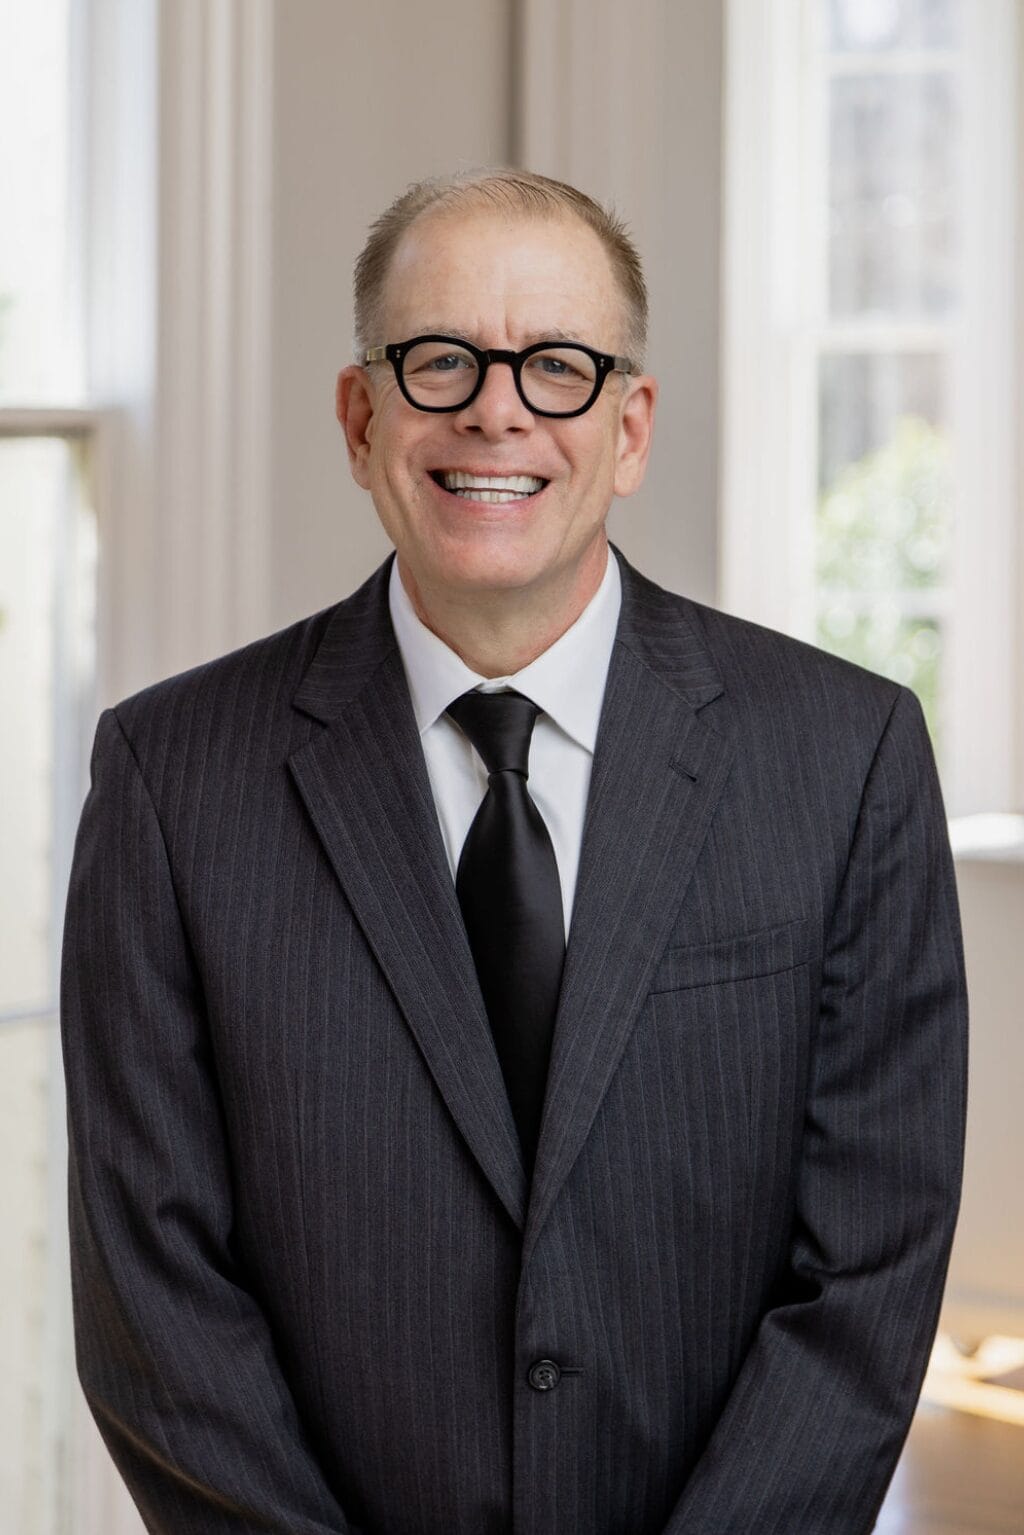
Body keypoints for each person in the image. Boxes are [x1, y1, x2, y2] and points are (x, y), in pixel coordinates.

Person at [60, 168, 968, 1535]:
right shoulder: (169, 779)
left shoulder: (848, 761)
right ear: (362, 419)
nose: (498, 408)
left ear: (630, 422)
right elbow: (156, 1310)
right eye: (441, 363)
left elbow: (868, 1280)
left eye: (556, 365)